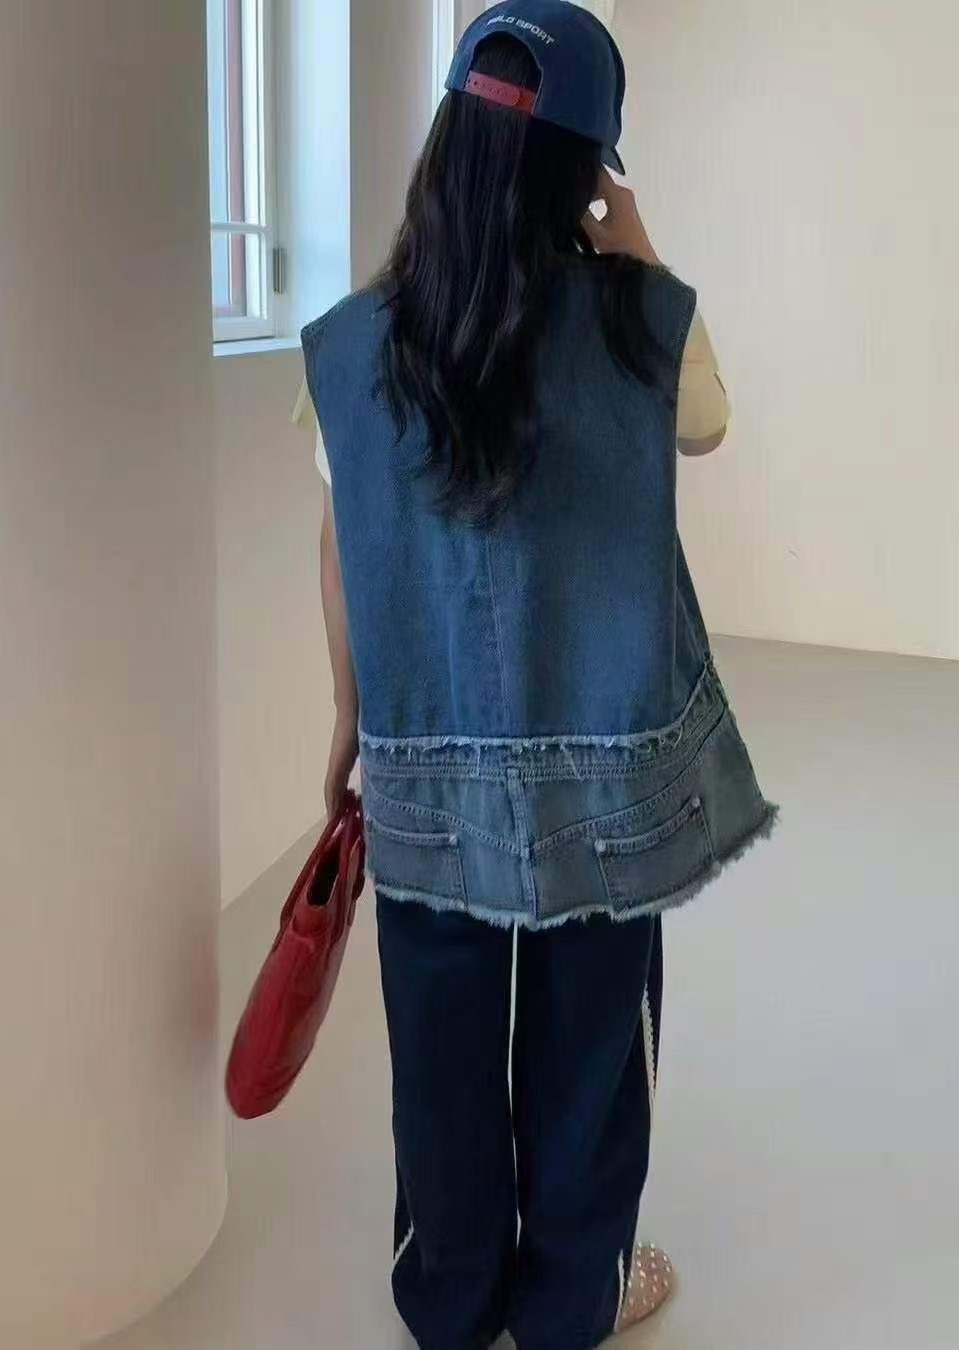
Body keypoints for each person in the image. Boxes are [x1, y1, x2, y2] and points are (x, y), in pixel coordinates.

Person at [302, 3, 775, 1346]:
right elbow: (708, 425)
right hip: (609, 770)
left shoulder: (353, 341)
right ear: (589, 169)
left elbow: (343, 545)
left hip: (421, 762)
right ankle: (575, 1296)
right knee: (590, 1049)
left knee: (437, 1045)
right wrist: (639, 250)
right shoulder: (639, 326)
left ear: (447, 144)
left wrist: (347, 724)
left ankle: (449, 1297)